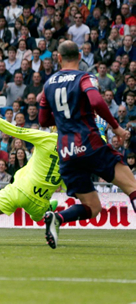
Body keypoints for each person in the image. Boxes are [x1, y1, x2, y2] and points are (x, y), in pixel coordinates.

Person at [39, 41, 136, 249]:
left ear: (58, 58)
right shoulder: (84, 77)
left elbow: (43, 120)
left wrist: (66, 119)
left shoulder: (48, 84)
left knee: (93, 207)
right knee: (133, 187)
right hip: (90, 145)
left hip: (66, 153)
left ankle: (57, 219)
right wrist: (117, 128)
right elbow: (97, 101)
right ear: (81, 56)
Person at [0, 89, 61, 246]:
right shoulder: (77, 150)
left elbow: (9, 128)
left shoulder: (46, 138)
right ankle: (49, 210)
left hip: (19, 189)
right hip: (40, 200)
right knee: (40, 214)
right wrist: (101, 132)